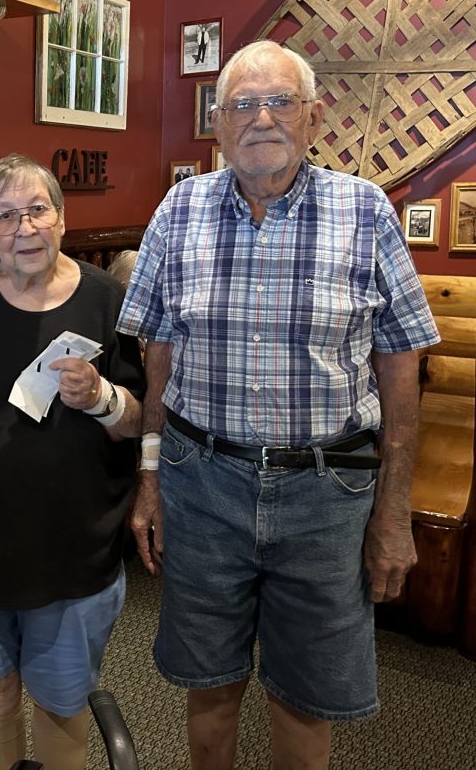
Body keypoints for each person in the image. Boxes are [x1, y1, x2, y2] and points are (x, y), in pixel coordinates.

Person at [118, 40, 440, 770]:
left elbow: (401, 369)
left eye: (279, 101)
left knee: (306, 697)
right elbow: (157, 356)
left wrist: (393, 511)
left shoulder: (365, 212)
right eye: (242, 104)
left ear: (312, 117)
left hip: (327, 497)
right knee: (210, 685)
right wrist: (149, 480)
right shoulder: (180, 210)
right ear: (219, 124)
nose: (261, 118)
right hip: (200, 486)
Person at [0, 154, 145, 770]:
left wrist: (101, 398)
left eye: (37, 211)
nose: (25, 229)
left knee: (61, 698)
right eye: (6, 217)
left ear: (62, 218)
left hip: (71, 548)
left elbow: (140, 421)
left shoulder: (108, 301)